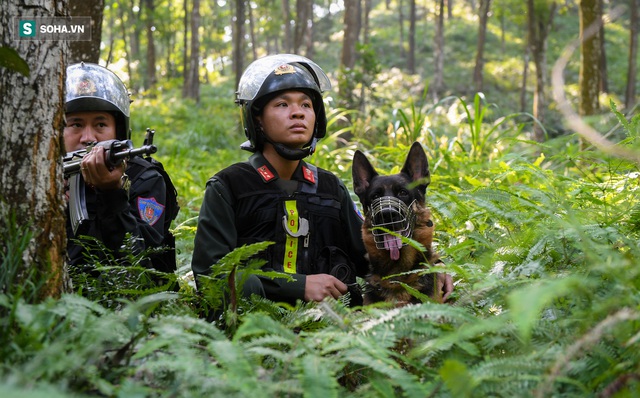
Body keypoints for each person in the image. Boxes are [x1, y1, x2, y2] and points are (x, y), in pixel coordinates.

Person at [191, 54, 368, 306]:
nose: (297, 113)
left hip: (329, 335)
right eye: (282, 105)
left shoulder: (330, 189)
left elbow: (372, 257)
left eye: (306, 105)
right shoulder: (228, 187)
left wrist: (429, 266)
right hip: (249, 336)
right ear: (257, 119)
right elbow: (212, 279)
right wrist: (297, 287)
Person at [64, 62, 172, 271]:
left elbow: (140, 260)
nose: (88, 138)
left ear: (118, 131)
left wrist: (111, 194)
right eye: (76, 124)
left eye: (100, 125)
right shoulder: (42, 174)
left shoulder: (144, 178)